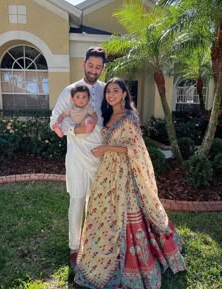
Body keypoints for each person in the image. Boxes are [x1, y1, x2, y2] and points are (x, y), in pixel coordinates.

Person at [74, 77, 186, 289]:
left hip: (125, 173)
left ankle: (139, 260)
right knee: (103, 211)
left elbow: (134, 149)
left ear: (125, 94)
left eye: (116, 91)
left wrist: (106, 149)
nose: (111, 95)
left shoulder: (129, 117)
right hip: (107, 173)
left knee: (128, 212)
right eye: (108, 92)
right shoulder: (107, 115)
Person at [50, 47, 106, 268]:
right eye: (91, 65)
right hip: (76, 156)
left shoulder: (105, 90)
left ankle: (92, 242)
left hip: (100, 155)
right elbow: (54, 119)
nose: (94, 70)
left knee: (96, 202)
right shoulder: (70, 91)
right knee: (77, 200)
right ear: (84, 63)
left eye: (98, 66)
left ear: (103, 68)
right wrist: (76, 129)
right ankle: (74, 247)